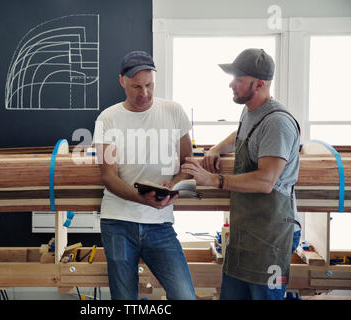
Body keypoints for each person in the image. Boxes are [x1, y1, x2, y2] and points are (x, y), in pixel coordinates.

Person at [181, 48, 301, 300]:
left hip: (271, 237)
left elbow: (266, 181)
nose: (230, 84)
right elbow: (240, 134)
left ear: (259, 84)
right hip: (246, 232)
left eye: (238, 79)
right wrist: (216, 148)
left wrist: (213, 180)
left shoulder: (277, 123)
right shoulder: (250, 110)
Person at [93, 51, 196, 300]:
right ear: (122, 81)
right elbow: (109, 176)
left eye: (149, 85)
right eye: (136, 86)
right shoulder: (107, 119)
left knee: (185, 296)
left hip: (160, 224)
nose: (144, 93)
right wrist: (143, 199)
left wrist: (172, 185)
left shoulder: (174, 112)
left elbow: (188, 164)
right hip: (117, 222)